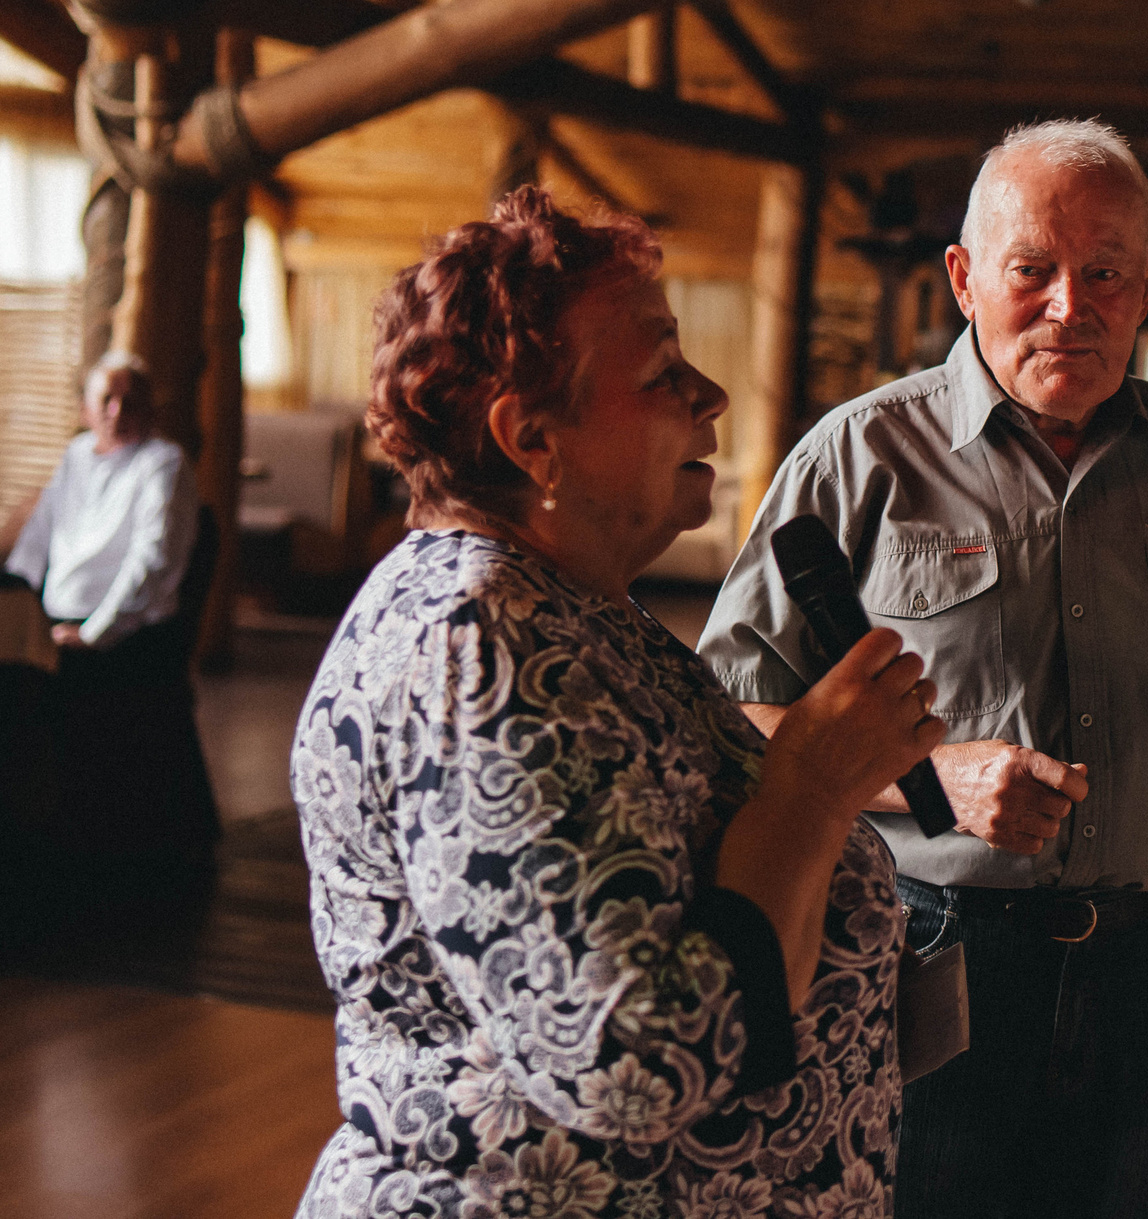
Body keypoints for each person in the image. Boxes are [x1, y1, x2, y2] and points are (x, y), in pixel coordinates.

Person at [700, 119, 1148, 1219]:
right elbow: (734, 712)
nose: (1069, 307)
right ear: (964, 277)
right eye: (1032, 271)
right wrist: (936, 778)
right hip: (921, 951)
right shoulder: (858, 458)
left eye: (1106, 275)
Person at [292, 188, 941, 1219]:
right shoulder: (473, 643)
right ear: (531, 439)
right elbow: (628, 1064)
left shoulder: (570, 609)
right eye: (661, 373)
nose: (711, 394)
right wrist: (813, 791)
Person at [6, 352, 198, 652]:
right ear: (85, 410)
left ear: (150, 410)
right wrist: (10, 609)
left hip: (125, 632)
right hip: (60, 620)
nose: (118, 411)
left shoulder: (162, 461)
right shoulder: (77, 453)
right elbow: (36, 538)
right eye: (106, 400)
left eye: (131, 403)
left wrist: (93, 634)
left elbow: (152, 559)